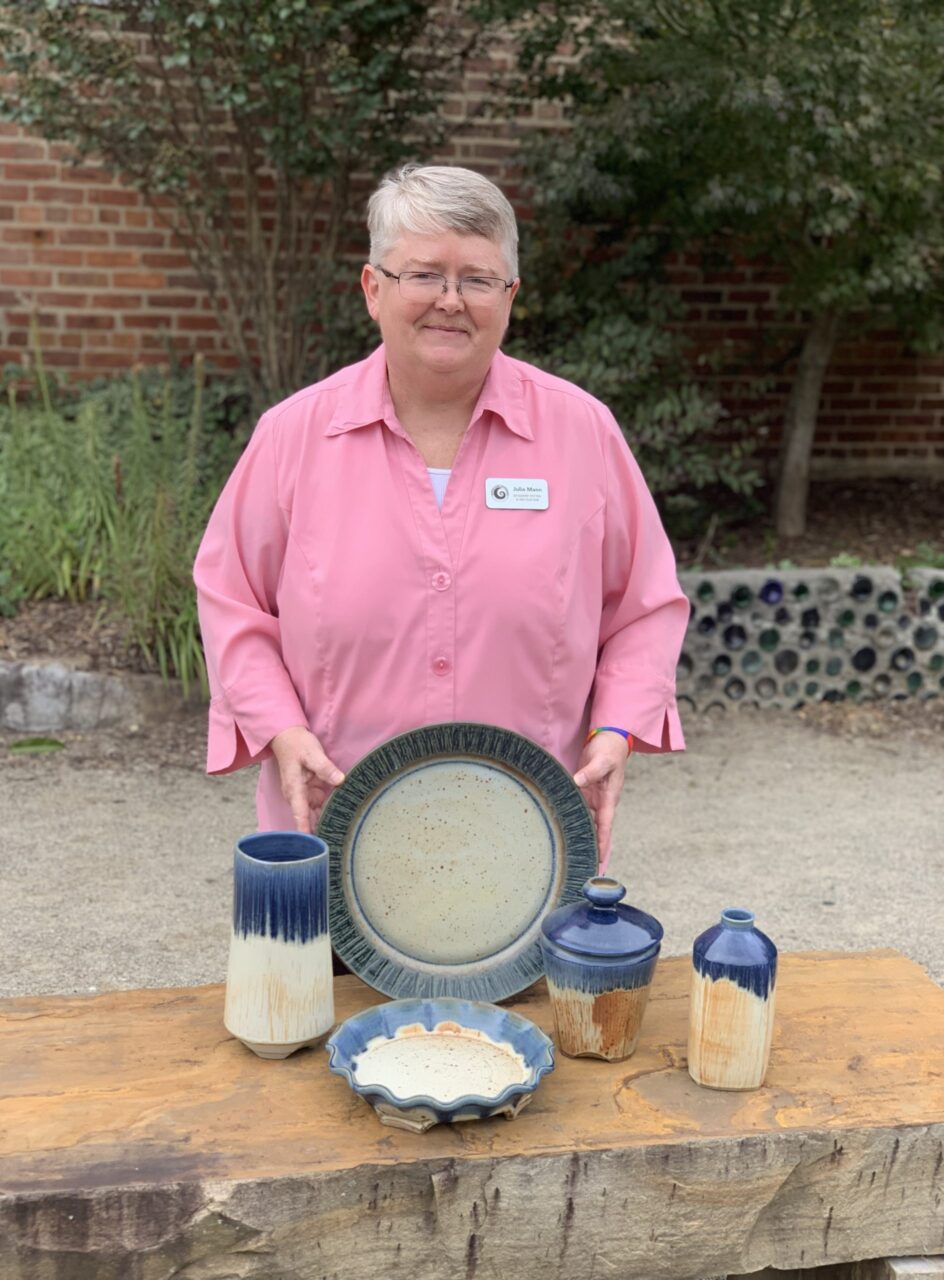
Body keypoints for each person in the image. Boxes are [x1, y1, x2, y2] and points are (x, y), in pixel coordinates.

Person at [194, 163, 689, 872]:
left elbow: (645, 607)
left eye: (478, 279)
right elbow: (230, 600)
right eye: (423, 275)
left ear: (510, 296)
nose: (450, 301)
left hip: (529, 851)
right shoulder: (292, 437)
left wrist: (615, 731)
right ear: (373, 288)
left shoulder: (583, 434)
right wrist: (279, 729)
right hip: (337, 847)